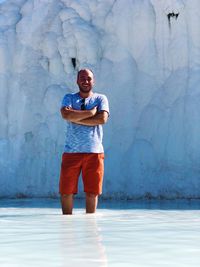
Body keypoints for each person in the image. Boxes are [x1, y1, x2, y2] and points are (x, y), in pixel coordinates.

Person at [59, 69, 109, 215]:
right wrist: (90, 113)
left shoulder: (101, 99)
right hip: (71, 152)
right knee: (66, 191)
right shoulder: (69, 97)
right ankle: (67, 230)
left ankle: (90, 230)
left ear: (93, 81)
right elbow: (65, 114)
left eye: (88, 78)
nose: (85, 81)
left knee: (92, 192)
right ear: (77, 80)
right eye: (82, 78)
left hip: (94, 152)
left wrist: (76, 118)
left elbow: (102, 119)